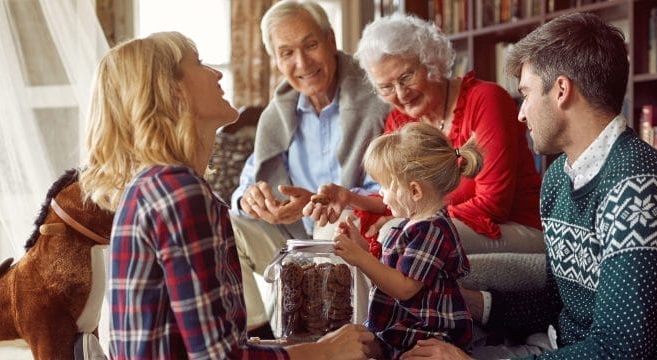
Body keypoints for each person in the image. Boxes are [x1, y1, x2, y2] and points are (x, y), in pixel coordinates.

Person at [402, 13, 657, 359]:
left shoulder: (639, 188)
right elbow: (558, 300)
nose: (520, 113)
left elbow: (620, 350)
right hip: (556, 345)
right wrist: (472, 303)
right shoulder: (559, 176)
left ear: (561, 90)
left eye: (526, 94)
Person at [79, 31, 375, 359]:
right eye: (199, 64)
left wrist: (310, 347)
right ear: (172, 91)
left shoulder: (156, 185)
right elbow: (218, 358)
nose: (217, 73)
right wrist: (326, 352)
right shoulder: (180, 193)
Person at [304, 13, 544, 256]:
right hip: (443, 222)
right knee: (336, 228)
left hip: (511, 227)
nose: (400, 93)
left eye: (406, 77)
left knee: (396, 234)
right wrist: (347, 198)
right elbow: (397, 195)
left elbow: (493, 205)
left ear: (431, 61)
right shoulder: (399, 120)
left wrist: (408, 222)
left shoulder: (486, 100)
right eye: (386, 87)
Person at [229, 0, 391, 334]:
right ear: (276, 60)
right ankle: (260, 338)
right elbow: (247, 185)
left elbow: (393, 188)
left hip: (350, 234)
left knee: (335, 226)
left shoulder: (377, 99)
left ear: (331, 40)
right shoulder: (278, 114)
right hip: (292, 243)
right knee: (225, 225)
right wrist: (252, 200)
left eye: (310, 45)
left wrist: (331, 201)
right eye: (286, 52)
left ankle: (339, 340)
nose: (301, 62)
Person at [333, 122, 480, 359]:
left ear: (414, 191)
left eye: (384, 185)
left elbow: (404, 288)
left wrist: (360, 258)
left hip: (427, 335)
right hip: (396, 328)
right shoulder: (407, 225)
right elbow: (391, 272)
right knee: (349, 342)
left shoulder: (433, 230)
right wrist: (362, 247)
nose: (380, 193)